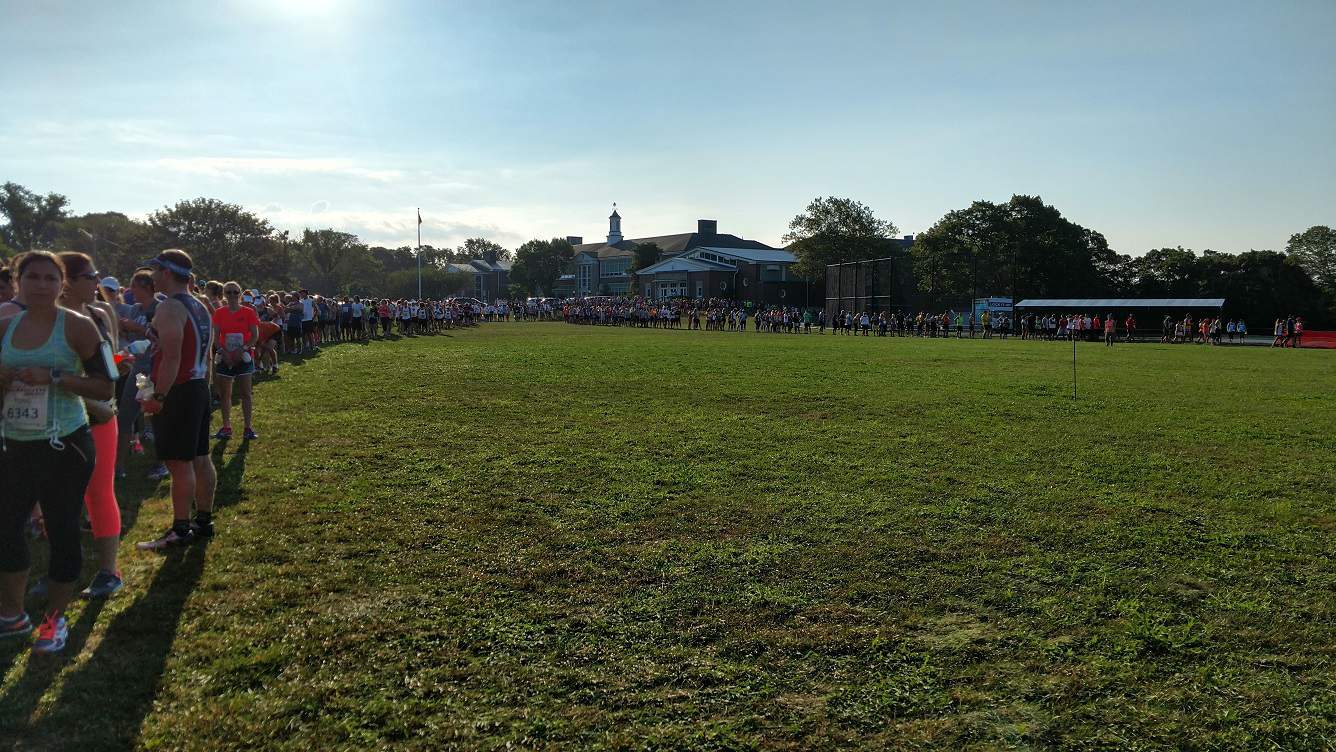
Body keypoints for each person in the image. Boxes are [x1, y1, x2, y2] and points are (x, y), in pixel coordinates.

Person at [0, 251, 116, 653]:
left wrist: (55, 377)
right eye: (33, 277)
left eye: (51, 278)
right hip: (15, 443)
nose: (42, 285)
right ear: (18, 281)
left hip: (65, 445)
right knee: (6, 528)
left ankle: (54, 620)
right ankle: (12, 614)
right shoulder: (3, 327)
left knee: (62, 530)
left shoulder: (79, 326)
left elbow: (105, 387)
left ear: (61, 283)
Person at [136, 250, 218, 551]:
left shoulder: (170, 307)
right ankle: (204, 520)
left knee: (179, 464)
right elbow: (206, 355)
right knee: (200, 456)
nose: (152, 277)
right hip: (197, 386)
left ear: (166, 273)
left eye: (154, 272)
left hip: (178, 390)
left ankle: (180, 529)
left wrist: (158, 396)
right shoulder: (200, 304)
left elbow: (172, 358)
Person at [58, 252, 126, 598]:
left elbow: (110, 364)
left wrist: (119, 364)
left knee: (99, 491)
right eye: (90, 276)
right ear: (66, 281)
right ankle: (61, 570)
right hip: (56, 419)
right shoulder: (46, 320)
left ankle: (108, 571)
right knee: (61, 498)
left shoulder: (102, 313)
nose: (97, 282)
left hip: (99, 414)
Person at [211, 281, 260, 440]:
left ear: (240, 294)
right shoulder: (219, 313)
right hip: (225, 358)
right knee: (225, 394)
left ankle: (247, 428)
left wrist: (243, 349)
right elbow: (216, 336)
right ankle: (226, 427)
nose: (232, 295)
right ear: (224, 294)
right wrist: (222, 351)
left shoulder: (249, 312)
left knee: (246, 393)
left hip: (243, 357)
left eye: (235, 292)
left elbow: (254, 335)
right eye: (229, 292)